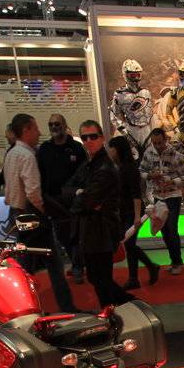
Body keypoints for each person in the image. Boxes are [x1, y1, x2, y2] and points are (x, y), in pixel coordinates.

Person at [2, 113, 76, 313]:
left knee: (27, 264)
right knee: (51, 263)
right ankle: (64, 306)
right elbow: (33, 191)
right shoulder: (26, 155)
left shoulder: (12, 153)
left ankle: (24, 306)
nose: (40, 132)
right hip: (31, 216)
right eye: (35, 128)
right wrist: (46, 211)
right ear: (26, 130)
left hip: (18, 214)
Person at [61, 119, 133, 307]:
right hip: (90, 231)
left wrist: (81, 196)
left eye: (93, 136)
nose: (89, 140)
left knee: (101, 280)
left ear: (101, 138)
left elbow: (85, 201)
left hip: (102, 233)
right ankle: (128, 308)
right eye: (85, 137)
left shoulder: (105, 168)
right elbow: (67, 190)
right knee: (97, 279)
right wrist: (79, 194)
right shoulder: (88, 164)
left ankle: (124, 310)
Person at [38, 113, 86, 284]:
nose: (54, 127)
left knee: (76, 234)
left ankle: (78, 266)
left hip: (73, 199)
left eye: (57, 124)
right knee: (62, 235)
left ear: (65, 125)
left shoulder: (76, 148)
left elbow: (84, 173)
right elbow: (40, 174)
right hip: (53, 199)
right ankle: (75, 263)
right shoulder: (44, 149)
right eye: (51, 124)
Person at [108, 134, 159, 289]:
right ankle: (135, 277)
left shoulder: (129, 168)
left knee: (129, 245)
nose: (109, 151)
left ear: (118, 150)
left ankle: (146, 269)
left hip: (132, 212)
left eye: (111, 148)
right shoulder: (120, 167)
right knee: (129, 245)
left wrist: (137, 217)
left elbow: (136, 194)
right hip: (124, 212)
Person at [139, 127, 184, 276]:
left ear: (165, 140)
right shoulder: (148, 152)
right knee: (164, 230)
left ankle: (177, 262)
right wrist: (150, 176)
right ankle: (174, 261)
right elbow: (141, 171)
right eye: (155, 143)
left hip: (173, 196)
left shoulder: (176, 155)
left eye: (160, 142)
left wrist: (171, 181)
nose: (158, 146)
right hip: (157, 196)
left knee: (172, 229)